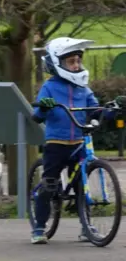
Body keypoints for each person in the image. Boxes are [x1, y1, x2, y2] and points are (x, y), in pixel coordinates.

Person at [31, 37, 124, 244]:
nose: (76, 65)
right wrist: (44, 107)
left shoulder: (84, 88)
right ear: (57, 64)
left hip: (79, 142)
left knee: (82, 186)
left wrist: (112, 109)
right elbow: (37, 115)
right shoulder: (50, 87)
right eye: (71, 62)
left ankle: (86, 227)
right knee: (49, 185)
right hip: (56, 143)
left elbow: (95, 110)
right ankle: (38, 228)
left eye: (77, 61)